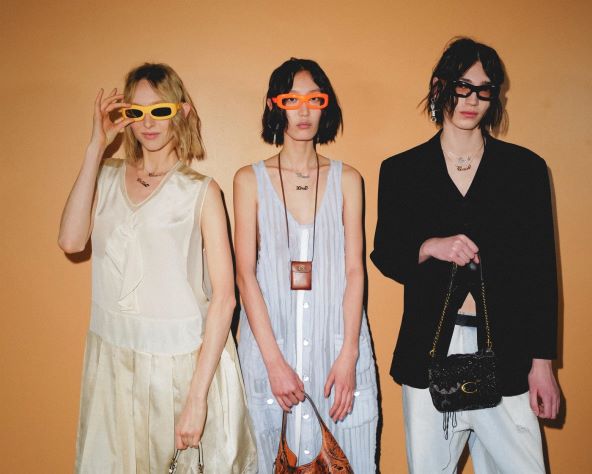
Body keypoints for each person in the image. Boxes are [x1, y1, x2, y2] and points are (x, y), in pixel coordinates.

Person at [371, 37, 560, 473]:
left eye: (484, 90)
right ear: (440, 87)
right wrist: (429, 247)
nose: (473, 100)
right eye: (463, 86)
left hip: (508, 349)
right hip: (429, 349)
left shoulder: (525, 170)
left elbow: (541, 274)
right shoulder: (402, 170)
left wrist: (542, 363)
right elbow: (386, 254)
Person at [59, 63, 257, 473]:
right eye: (136, 112)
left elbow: (224, 299)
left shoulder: (201, 191)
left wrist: (197, 399)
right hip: (113, 362)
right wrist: (95, 147)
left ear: (182, 112)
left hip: (181, 369)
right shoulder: (105, 177)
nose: (148, 123)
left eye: (160, 111)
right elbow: (71, 241)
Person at [234, 58, 378, 473]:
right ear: (273, 105)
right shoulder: (249, 180)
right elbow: (245, 275)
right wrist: (274, 364)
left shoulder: (348, 179)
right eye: (291, 100)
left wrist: (349, 354)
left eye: (314, 100)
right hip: (271, 349)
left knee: (349, 458)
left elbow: (355, 271)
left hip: (335, 352)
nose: (303, 111)